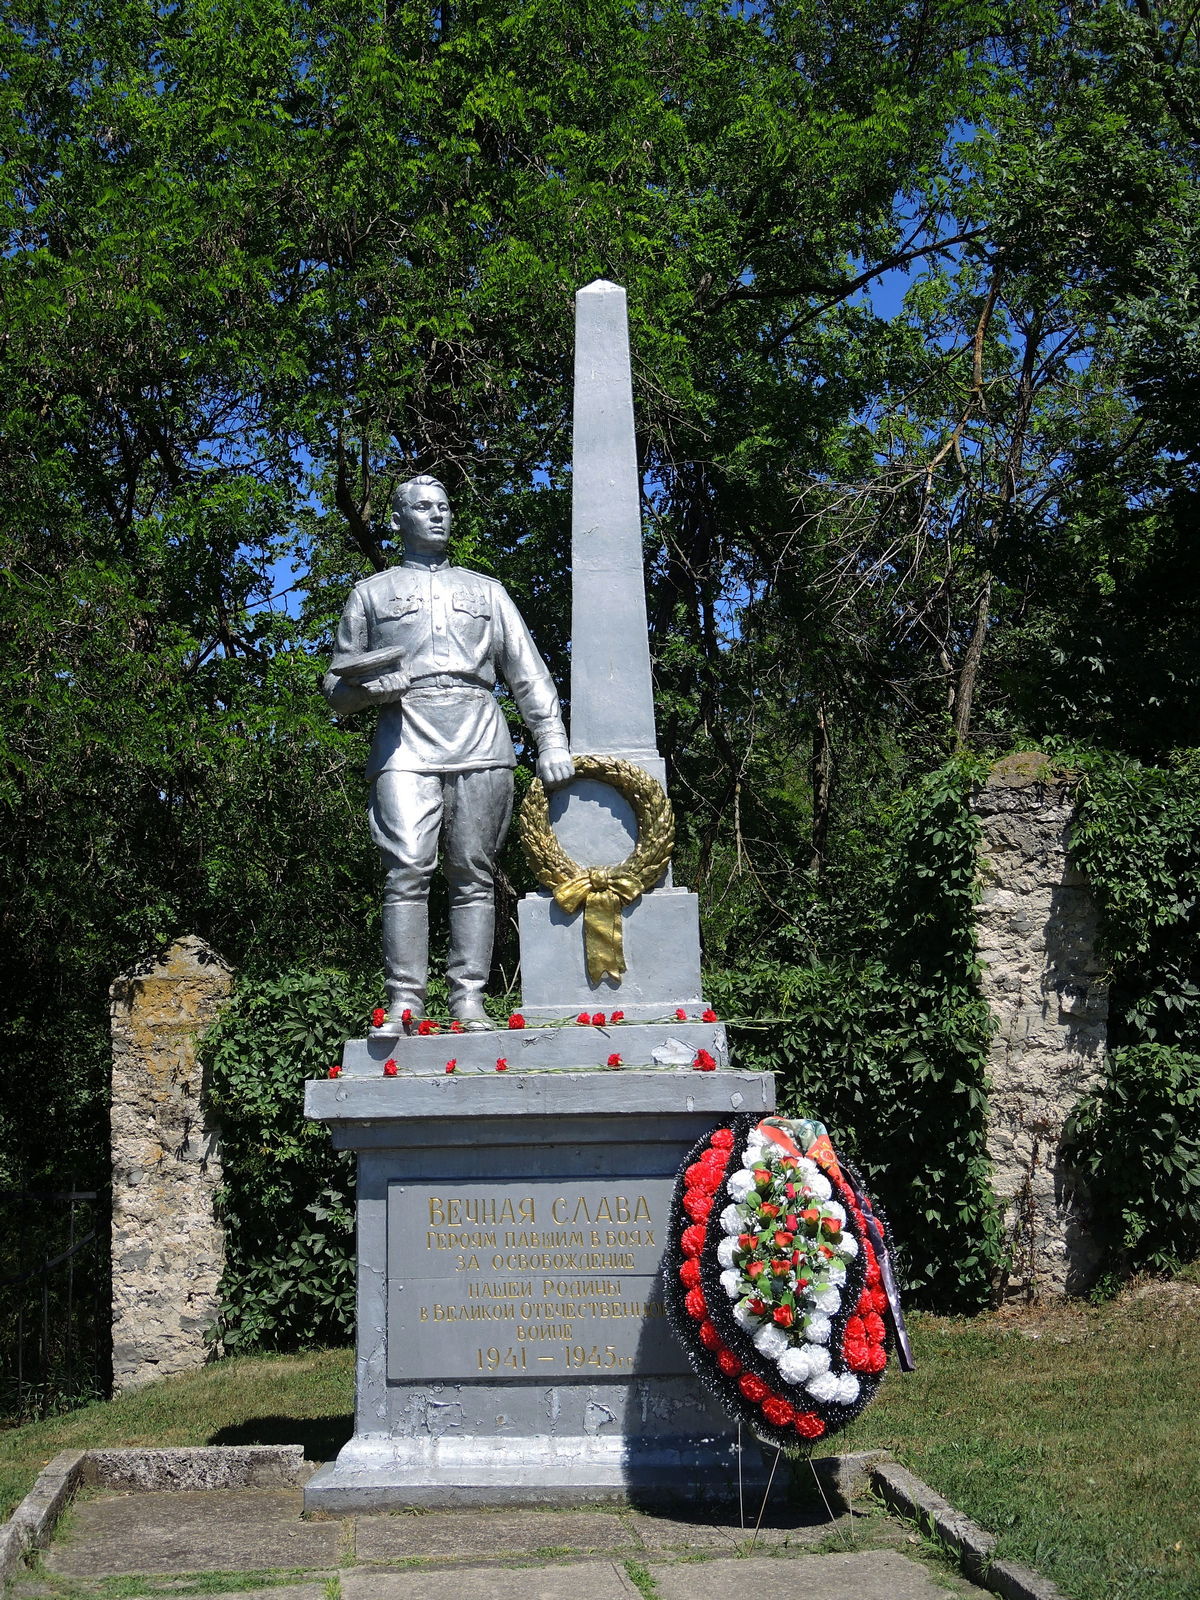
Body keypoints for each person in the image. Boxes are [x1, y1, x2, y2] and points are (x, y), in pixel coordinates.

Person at [323, 476, 573, 1030]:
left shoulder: (487, 591)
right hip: (404, 735)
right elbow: (337, 689)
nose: (438, 515)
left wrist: (551, 738)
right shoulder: (371, 593)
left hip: (479, 729)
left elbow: (527, 671)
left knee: (473, 872)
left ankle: (468, 999)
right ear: (397, 520)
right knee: (406, 867)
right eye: (423, 507)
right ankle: (404, 1002)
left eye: (444, 506)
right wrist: (370, 691)